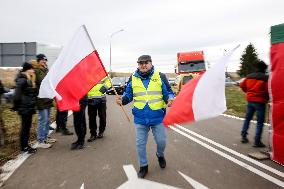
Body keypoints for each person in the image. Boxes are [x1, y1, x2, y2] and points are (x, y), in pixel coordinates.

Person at [116, 55, 174, 178]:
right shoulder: (133, 78)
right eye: (140, 63)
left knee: (161, 141)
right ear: (138, 65)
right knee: (140, 144)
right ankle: (143, 166)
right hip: (140, 118)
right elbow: (128, 95)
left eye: (146, 62)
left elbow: (168, 92)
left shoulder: (160, 76)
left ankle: (160, 155)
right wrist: (122, 100)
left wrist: (170, 99)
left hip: (157, 117)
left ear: (151, 63)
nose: (143, 65)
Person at [240, 60, 269, 148]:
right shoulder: (265, 78)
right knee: (259, 122)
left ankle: (244, 136)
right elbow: (268, 90)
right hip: (260, 102)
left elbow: (242, 86)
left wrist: (248, 92)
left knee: (247, 119)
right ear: (264, 68)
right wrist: (267, 98)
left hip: (250, 101)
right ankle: (257, 141)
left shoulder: (249, 76)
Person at [12, 62, 37, 153]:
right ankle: (24, 147)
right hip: (24, 107)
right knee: (25, 128)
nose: (33, 70)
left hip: (28, 107)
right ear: (27, 69)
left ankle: (25, 145)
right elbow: (17, 95)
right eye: (31, 69)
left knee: (27, 127)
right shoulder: (22, 79)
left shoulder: (27, 78)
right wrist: (15, 106)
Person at [34, 54, 54, 148]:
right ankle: (40, 140)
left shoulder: (46, 70)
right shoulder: (36, 71)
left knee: (47, 120)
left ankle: (45, 137)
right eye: (42, 60)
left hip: (48, 99)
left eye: (45, 60)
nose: (44, 61)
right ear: (38, 61)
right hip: (41, 99)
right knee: (43, 120)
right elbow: (41, 81)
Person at [87, 77, 111, 142]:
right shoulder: (86, 73)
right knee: (91, 118)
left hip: (101, 99)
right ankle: (93, 134)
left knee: (102, 117)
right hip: (90, 99)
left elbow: (109, 81)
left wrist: (104, 88)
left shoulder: (101, 71)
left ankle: (101, 132)